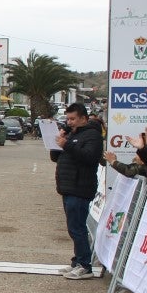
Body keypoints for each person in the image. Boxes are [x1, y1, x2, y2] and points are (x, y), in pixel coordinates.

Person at [50, 102, 103, 280]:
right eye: (68, 118)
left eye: (73, 119)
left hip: (80, 187)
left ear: (83, 118)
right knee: (73, 227)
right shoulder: (72, 134)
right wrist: (57, 142)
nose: (69, 122)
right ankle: (77, 261)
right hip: (67, 186)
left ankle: (84, 265)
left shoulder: (92, 136)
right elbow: (55, 158)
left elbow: (89, 157)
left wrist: (67, 145)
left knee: (78, 227)